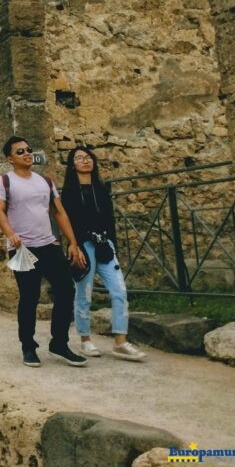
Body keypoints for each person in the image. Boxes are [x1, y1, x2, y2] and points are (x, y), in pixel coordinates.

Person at [0, 136, 87, 368]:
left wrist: (73, 243)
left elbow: (60, 213)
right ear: (10, 158)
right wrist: (10, 234)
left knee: (66, 289)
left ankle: (59, 343)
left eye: (29, 150)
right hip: (21, 248)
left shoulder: (45, 181)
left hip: (48, 244)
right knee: (29, 296)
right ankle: (28, 346)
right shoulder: (4, 181)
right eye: (21, 151)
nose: (27, 154)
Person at [60, 146, 146, 361]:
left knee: (119, 291)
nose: (85, 161)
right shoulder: (69, 192)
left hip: (104, 244)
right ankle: (85, 340)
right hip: (83, 246)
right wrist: (74, 246)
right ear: (73, 165)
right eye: (79, 158)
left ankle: (120, 341)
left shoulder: (101, 188)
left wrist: (112, 244)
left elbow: (110, 220)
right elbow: (67, 221)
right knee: (84, 294)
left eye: (88, 157)